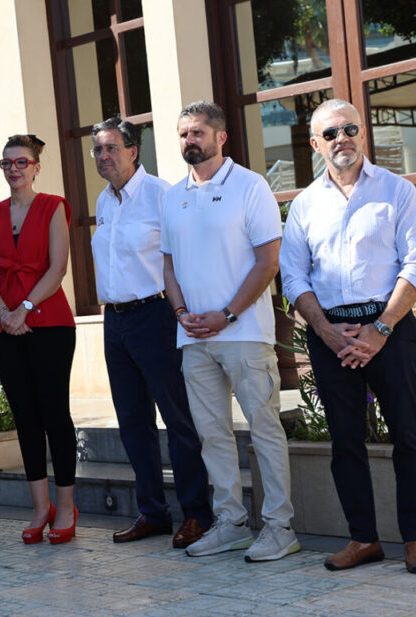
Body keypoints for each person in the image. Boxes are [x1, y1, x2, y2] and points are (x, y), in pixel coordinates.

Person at [279, 99, 416, 574]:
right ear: (315, 144)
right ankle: (363, 539)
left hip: (390, 326)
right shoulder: (305, 204)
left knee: (408, 435)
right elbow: (293, 277)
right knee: (345, 441)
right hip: (331, 334)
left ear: (362, 133)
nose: (341, 139)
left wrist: (382, 327)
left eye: (349, 129)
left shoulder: (397, 190)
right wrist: (325, 331)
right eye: (330, 134)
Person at [161, 101, 300, 562]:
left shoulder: (250, 185)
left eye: (198, 132)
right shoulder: (172, 195)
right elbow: (168, 263)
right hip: (192, 338)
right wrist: (180, 311)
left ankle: (280, 527)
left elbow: (268, 261)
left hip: (243, 333)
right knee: (211, 434)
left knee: (264, 430)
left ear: (221, 137)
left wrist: (228, 314)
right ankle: (232, 522)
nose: (189, 141)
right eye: (183, 134)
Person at [87, 117, 213, 548]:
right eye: (98, 150)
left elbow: (184, 256)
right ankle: (152, 512)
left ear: (133, 150)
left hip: (155, 315)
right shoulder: (104, 202)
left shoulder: (162, 195)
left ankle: (197, 513)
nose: (104, 157)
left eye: (111, 148)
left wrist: (182, 311)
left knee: (177, 419)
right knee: (132, 423)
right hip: (115, 320)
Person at [0, 134, 78, 544]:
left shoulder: (54, 206)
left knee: (55, 413)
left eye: (21, 162)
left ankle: (66, 507)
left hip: (49, 320)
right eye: (6, 163)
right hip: (4, 325)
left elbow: (58, 268)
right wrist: (5, 313)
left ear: (36, 167)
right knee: (25, 417)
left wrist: (26, 310)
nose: (14, 169)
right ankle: (41, 508)